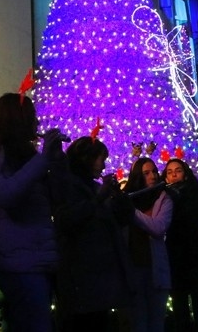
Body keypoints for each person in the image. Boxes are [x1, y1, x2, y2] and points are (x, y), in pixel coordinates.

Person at [0, 92, 68, 332]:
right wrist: (43, 160)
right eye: (32, 116)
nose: (37, 123)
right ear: (18, 119)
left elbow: (57, 198)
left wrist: (56, 162)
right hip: (19, 262)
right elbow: (6, 195)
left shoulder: (29, 155)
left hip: (37, 258)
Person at [53, 135, 134, 331]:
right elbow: (67, 219)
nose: (104, 166)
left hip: (99, 278)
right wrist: (98, 199)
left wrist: (118, 197)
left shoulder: (96, 188)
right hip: (80, 278)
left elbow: (121, 219)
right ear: (87, 158)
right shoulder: (68, 185)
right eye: (101, 160)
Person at [163, 158, 198, 332]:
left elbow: (191, 218)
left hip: (194, 255)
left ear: (185, 173)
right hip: (175, 256)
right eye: (169, 172)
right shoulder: (165, 196)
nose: (173, 175)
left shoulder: (195, 194)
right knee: (180, 309)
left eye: (177, 170)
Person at [124, 156, 173, 332]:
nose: (152, 176)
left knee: (156, 322)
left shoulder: (163, 198)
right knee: (138, 323)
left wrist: (132, 212)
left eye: (154, 171)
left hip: (155, 270)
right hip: (133, 269)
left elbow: (159, 227)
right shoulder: (128, 198)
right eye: (146, 173)